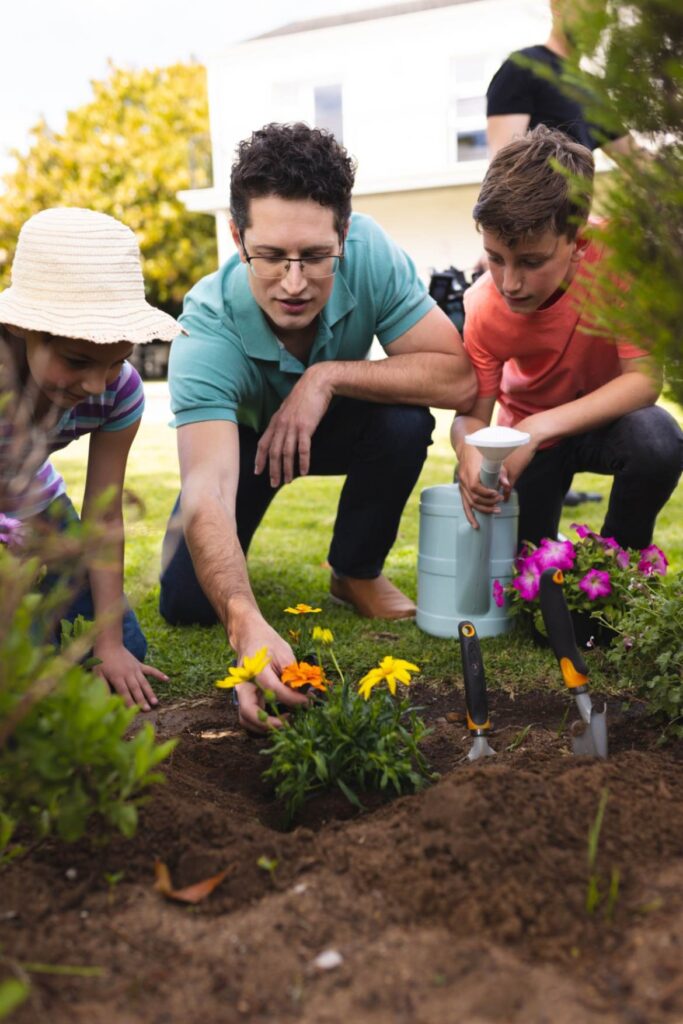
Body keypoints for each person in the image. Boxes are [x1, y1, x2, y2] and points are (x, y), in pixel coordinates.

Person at [159, 122, 476, 734]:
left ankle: (354, 570)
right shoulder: (205, 330)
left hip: (337, 421)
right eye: (273, 257)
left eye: (315, 256)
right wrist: (243, 615)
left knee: (404, 423)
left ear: (345, 235)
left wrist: (324, 377)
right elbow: (206, 491)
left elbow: (457, 378)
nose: (295, 283)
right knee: (189, 605)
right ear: (237, 236)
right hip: (245, 444)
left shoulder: (373, 254)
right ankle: (239, 593)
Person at [451, 126, 682, 551]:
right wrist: (467, 449)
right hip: (527, 442)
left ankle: (620, 567)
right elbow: (472, 416)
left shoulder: (620, 256)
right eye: (496, 259)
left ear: (578, 242)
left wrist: (539, 427)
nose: (510, 283)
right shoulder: (483, 306)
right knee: (524, 576)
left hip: (604, 421)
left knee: (656, 438)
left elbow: (644, 381)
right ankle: (545, 549)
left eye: (531, 261)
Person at [0, 207, 181, 710]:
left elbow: (103, 514)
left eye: (117, 360)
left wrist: (108, 642)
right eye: (77, 361)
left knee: (122, 653)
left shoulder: (118, 393)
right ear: (21, 331)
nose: (97, 384)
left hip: (39, 507)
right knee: (24, 658)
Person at [486, 0, 636, 160]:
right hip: (539, 186)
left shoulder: (593, 90)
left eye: (601, 10)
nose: (596, 18)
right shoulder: (522, 67)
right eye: (589, 6)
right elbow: (504, 168)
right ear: (557, 6)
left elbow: (640, 163)